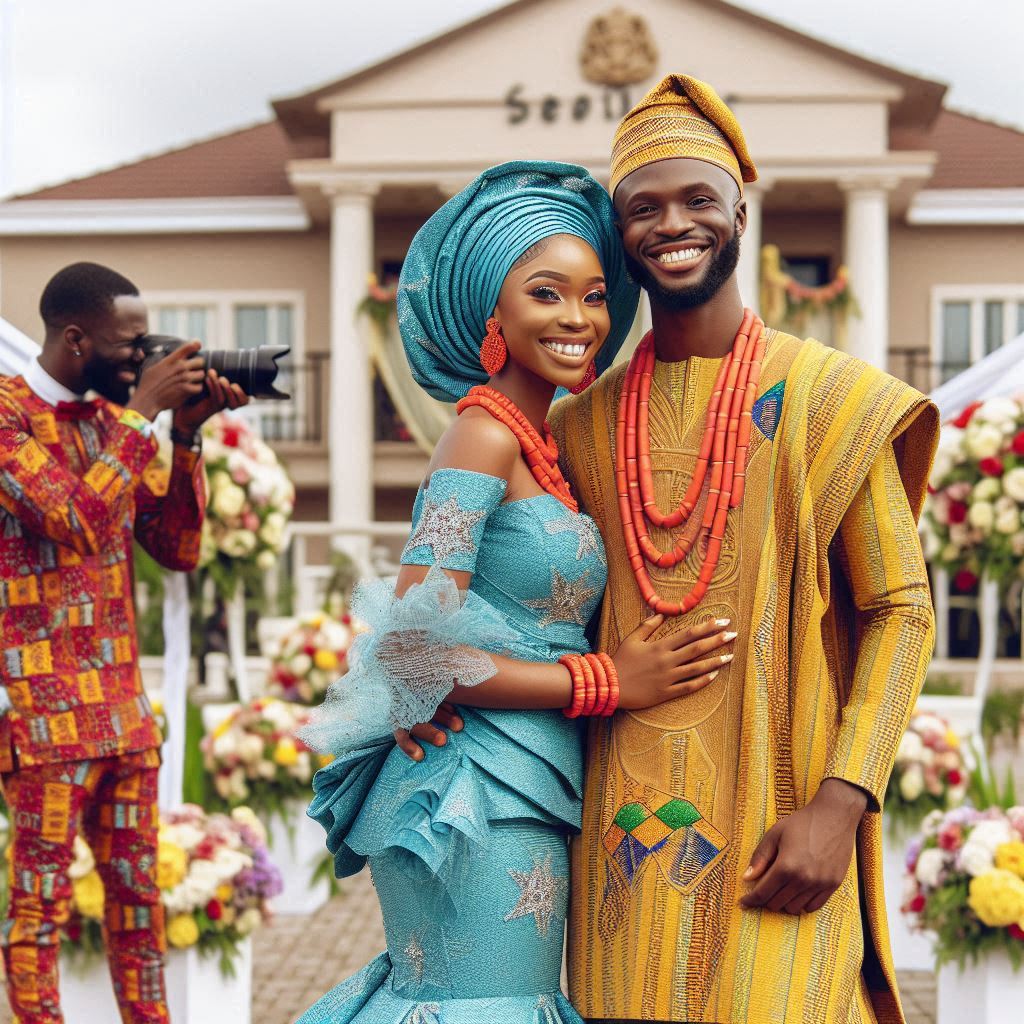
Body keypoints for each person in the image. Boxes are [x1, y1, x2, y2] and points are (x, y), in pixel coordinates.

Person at [295, 161, 737, 1024]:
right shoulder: (481, 437)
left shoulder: (539, 442)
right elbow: (413, 648)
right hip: (467, 795)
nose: (579, 319)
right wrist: (606, 681)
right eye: (546, 294)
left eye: (596, 295)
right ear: (492, 316)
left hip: (515, 780)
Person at [549, 76, 939, 1024]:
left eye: (696, 200)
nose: (672, 223)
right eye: (644, 207)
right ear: (620, 232)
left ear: (740, 212)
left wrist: (843, 802)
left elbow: (902, 608)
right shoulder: (582, 427)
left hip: (786, 829)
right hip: (621, 862)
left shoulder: (830, 399)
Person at [0, 261, 248, 1024]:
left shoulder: (116, 424)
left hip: (123, 716)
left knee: (139, 912)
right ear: (76, 339)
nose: (144, 360)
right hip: (44, 719)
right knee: (37, 915)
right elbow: (72, 519)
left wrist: (186, 435)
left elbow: (174, 547)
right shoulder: (6, 413)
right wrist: (145, 414)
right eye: (129, 344)